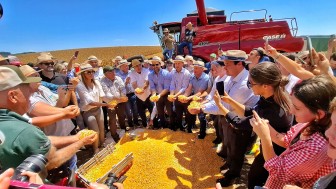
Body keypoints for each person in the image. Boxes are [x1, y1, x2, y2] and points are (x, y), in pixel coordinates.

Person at [0, 65, 96, 171]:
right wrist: (80, 142)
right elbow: (51, 160)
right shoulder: (24, 130)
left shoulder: (9, 119)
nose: (29, 96)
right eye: (27, 92)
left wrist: (76, 138)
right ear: (13, 96)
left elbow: (37, 139)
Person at [213, 62, 292, 188]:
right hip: (269, 148)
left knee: (255, 180)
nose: (249, 86)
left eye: (252, 83)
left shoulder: (273, 111)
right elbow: (252, 111)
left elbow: (239, 123)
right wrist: (230, 101)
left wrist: (220, 106)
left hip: (275, 155)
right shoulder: (271, 95)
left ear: (265, 85)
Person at [250, 75, 336, 189]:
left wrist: (265, 137)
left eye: (297, 108)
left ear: (319, 113)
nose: (291, 110)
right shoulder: (309, 123)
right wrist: (265, 126)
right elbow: (286, 140)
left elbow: (279, 172)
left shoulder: (317, 146)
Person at [76, 63, 112, 154]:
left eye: (92, 71)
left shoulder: (96, 82)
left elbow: (102, 95)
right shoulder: (80, 86)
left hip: (98, 109)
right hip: (88, 111)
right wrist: (106, 105)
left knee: (102, 128)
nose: (91, 73)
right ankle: (95, 148)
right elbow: (90, 102)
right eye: (88, 72)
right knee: (95, 131)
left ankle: (102, 144)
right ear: (83, 74)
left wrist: (111, 102)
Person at [100, 66, 128, 143]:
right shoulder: (102, 81)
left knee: (122, 116)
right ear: (105, 74)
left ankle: (123, 129)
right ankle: (114, 135)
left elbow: (123, 88)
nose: (113, 73)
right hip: (110, 103)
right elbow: (107, 94)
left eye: (114, 72)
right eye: (111, 72)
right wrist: (119, 98)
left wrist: (123, 96)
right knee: (112, 119)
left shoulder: (118, 78)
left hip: (120, 101)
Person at [185, 60, 209, 138]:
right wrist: (186, 96)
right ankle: (190, 128)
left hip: (203, 98)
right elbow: (189, 88)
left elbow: (200, 92)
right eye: (194, 68)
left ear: (202, 69)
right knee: (190, 113)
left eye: (197, 68)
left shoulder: (206, 78)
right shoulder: (192, 76)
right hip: (194, 97)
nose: (194, 70)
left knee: (201, 116)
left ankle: (202, 133)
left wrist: (188, 98)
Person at [148, 56, 173, 129]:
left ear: (160, 64)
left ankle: (172, 126)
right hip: (158, 95)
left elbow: (167, 88)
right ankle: (164, 126)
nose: (155, 66)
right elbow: (152, 87)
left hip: (166, 94)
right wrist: (153, 95)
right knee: (160, 113)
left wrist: (158, 95)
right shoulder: (150, 75)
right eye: (153, 65)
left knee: (170, 112)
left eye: (156, 64)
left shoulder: (166, 73)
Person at [168, 55, 192, 131]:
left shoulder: (186, 73)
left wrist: (175, 95)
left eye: (179, 63)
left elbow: (184, 87)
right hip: (177, 97)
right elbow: (172, 84)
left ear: (182, 64)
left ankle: (189, 128)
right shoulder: (173, 72)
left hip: (185, 97)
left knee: (188, 114)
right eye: (176, 63)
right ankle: (180, 128)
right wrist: (171, 94)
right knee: (179, 114)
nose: (177, 65)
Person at [129, 59, 153, 127]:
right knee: (141, 112)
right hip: (139, 96)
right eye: (136, 66)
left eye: (139, 65)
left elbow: (147, 82)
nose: (138, 67)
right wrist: (136, 89)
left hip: (148, 94)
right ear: (133, 67)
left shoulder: (146, 71)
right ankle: (145, 124)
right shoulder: (132, 73)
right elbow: (134, 84)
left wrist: (142, 89)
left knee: (151, 110)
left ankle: (154, 124)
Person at [116, 59, 140, 127]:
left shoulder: (131, 72)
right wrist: (126, 82)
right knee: (128, 112)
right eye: (125, 66)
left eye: (127, 65)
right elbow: (119, 87)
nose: (127, 67)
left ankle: (136, 122)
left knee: (135, 110)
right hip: (125, 96)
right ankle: (130, 123)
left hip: (134, 93)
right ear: (120, 67)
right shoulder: (118, 76)